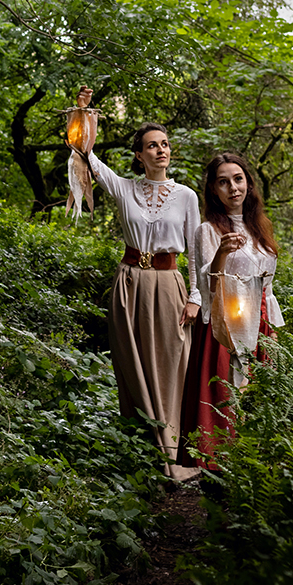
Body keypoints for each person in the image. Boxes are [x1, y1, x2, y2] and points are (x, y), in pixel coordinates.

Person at [75, 87, 201, 481]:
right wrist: (82, 114)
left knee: (170, 366)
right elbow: (86, 157)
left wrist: (196, 296)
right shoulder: (125, 187)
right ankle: (143, 457)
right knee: (132, 367)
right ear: (139, 154)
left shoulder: (186, 196)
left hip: (169, 286)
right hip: (129, 286)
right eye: (152, 146)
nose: (160, 151)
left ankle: (172, 456)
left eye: (164, 145)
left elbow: (195, 252)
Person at [179, 151, 284, 468]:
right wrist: (222, 253)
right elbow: (205, 284)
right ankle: (219, 477)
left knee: (256, 400)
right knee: (225, 398)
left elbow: (268, 285)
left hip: (261, 323)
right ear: (213, 190)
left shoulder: (260, 229)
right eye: (223, 182)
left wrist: (273, 331)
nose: (233, 187)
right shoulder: (207, 231)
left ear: (248, 184)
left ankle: (253, 471)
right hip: (226, 326)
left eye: (238, 179)